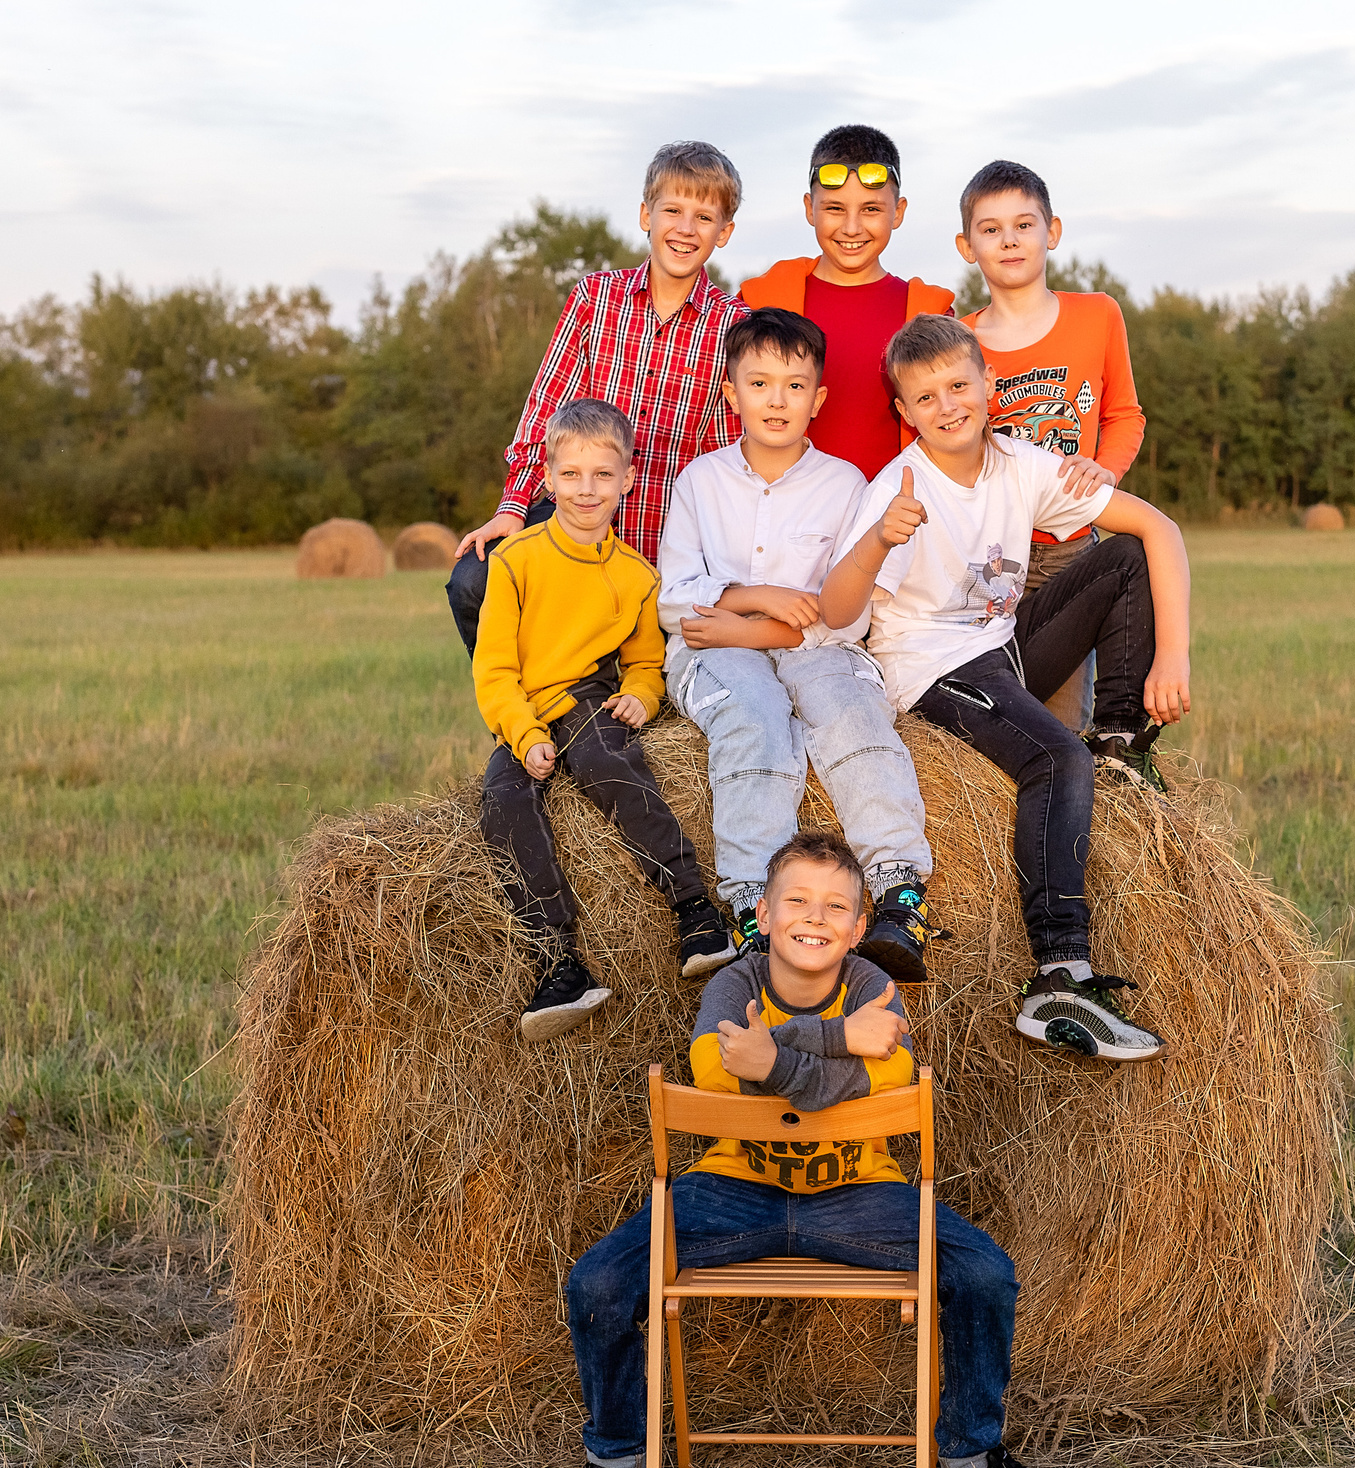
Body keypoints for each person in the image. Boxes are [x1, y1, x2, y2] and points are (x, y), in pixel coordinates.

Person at [515, 831, 1086, 1468]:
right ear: (763, 913)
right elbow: (716, 1074)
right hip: (730, 1187)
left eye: (835, 905)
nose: (814, 916)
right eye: (797, 900)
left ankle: (967, 1467)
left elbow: (891, 1077)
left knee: (983, 1271)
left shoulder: (874, 986)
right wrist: (840, 1040)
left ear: (855, 926)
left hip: (860, 1191)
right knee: (599, 1281)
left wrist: (779, 1059)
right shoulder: (735, 983)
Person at [817, 316, 1192, 1061]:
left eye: (959, 385)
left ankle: (1120, 739)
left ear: (989, 385)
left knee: (1122, 558)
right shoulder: (900, 490)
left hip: (1001, 647)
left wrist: (1171, 657)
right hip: (934, 670)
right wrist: (879, 540)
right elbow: (834, 614)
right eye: (925, 398)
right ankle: (1059, 973)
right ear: (904, 412)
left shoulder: (1021, 464)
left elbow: (1161, 530)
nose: (948, 405)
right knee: (1055, 760)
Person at [657, 307, 940, 982]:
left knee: (850, 711)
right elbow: (678, 602)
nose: (775, 400)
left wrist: (756, 627)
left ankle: (900, 889)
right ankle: (754, 906)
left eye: (792, 386)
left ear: (817, 399)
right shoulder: (700, 481)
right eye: (759, 384)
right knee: (753, 719)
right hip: (714, 653)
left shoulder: (843, 486)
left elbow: (843, 620)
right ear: (732, 394)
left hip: (816, 646)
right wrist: (757, 596)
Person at [470, 398, 738, 1042]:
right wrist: (528, 736)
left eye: (601, 475)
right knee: (502, 799)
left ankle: (695, 909)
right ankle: (557, 961)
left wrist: (643, 697)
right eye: (570, 475)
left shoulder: (636, 576)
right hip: (528, 705)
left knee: (604, 762)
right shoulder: (514, 562)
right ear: (548, 476)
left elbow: (646, 661)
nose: (585, 490)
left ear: (626, 479)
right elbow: (494, 672)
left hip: (590, 697)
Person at [446, 140, 750, 655]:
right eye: (672, 210)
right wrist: (514, 507)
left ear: (724, 233)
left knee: (639, 671)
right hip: (578, 515)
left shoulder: (732, 324)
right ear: (644, 215)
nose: (684, 228)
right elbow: (546, 410)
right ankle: (520, 717)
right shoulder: (596, 297)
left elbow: (728, 449)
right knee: (474, 580)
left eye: (704, 217)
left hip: (664, 535)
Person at [957, 159, 1146, 732]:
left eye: (1024, 224)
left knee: (1059, 726)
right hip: (986, 555)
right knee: (982, 732)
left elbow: (1123, 415)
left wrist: (1106, 472)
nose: (1009, 240)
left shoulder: (1097, 315)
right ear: (968, 246)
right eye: (990, 229)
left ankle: (1120, 746)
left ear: (1053, 231)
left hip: (1068, 548)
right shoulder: (956, 340)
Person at [737, 125, 956, 481]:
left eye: (871, 209)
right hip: (780, 517)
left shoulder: (929, 313)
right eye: (835, 208)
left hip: (897, 519)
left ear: (898, 212)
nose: (852, 228)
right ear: (810, 208)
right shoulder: (760, 303)